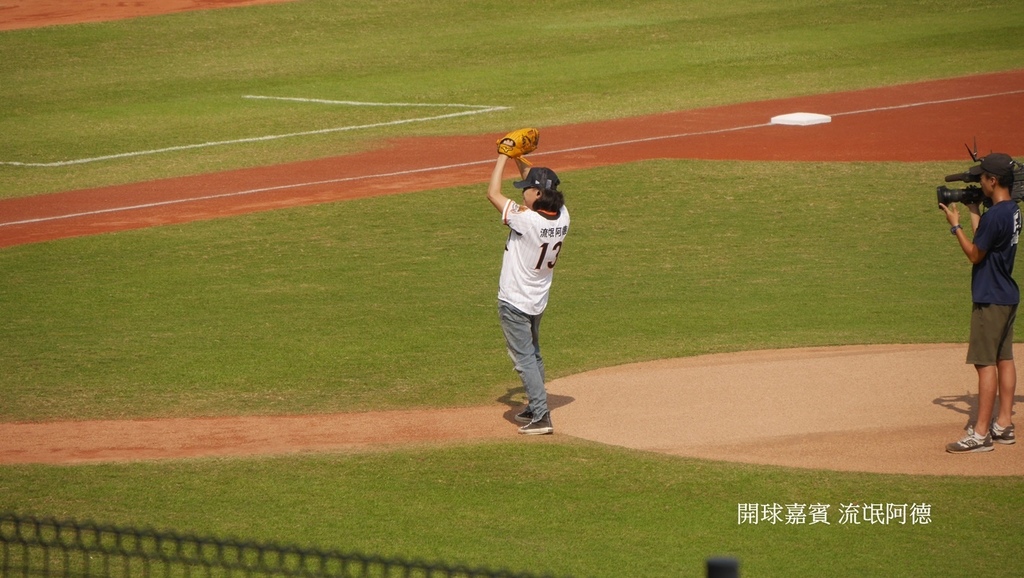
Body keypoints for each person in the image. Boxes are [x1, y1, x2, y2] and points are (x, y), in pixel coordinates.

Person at [939, 152, 1020, 453]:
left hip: (990, 299)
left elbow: (975, 253)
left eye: (983, 177)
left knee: (985, 365)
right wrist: (975, 211)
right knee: (1004, 359)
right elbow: (985, 240)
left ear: (993, 180)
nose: (980, 181)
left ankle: (981, 434)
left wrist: (954, 225)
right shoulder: (1011, 211)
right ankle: (1004, 425)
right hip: (1007, 295)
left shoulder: (996, 216)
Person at [486, 153, 570, 435]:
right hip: (537, 299)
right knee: (533, 354)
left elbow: (492, 193)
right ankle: (536, 406)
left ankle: (542, 416)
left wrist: (501, 157)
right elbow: (540, 182)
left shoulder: (527, 221)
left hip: (515, 300)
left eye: (526, 190)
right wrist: (519, 157)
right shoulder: (563, 215)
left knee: (524, 359)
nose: (523, 194)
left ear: (538, 193)